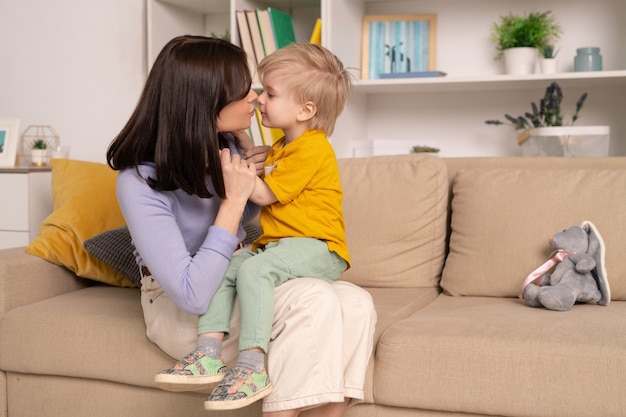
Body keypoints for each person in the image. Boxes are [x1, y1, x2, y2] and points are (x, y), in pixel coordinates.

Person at [107, 35, 376, 417]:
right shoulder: (139, 182)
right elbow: (192, 294)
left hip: (237, 280)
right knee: (313, 299)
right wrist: (234, 200)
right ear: (204, 101)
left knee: (357, 303)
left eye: (261, 90)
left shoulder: (227, 147)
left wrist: (260, 166)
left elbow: (266, 204)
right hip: (185, 309)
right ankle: (243, 373)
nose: (254, 98)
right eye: (243, 91)